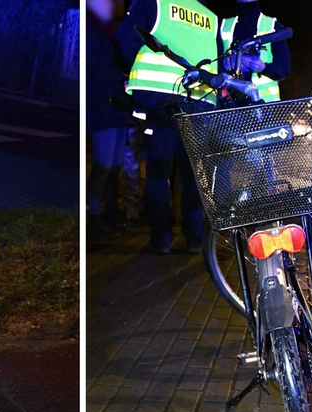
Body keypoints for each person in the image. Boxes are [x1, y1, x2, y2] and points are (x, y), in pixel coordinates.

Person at [116, 0, 219, 254]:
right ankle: (195, 238)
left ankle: (161, 238)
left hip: (158, 101)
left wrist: (136, 68)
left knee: (158, 173)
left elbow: (125, 39)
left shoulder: (155, 2)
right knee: (193, 176)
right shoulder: (209, 16)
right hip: (200, 103)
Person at [86, 0, 132, 239]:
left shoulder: (108, 31)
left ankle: (112, 213)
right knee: (104, 166)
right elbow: (98, 70)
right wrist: (125, 78)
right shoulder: (91, 31)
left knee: (114, 167)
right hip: (103, 105)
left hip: (116, 104)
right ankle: (94, 216)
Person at [219, 0, 290, 103]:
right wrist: (224, 63)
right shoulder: (223, 25)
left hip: (263, 104)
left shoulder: (272, 26)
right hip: (229, 103)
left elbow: (284, 69)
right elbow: (213, 63)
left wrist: (264, 67)